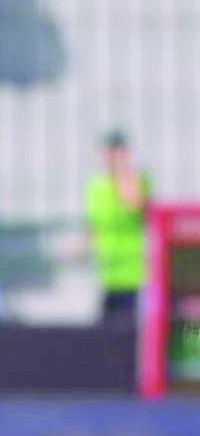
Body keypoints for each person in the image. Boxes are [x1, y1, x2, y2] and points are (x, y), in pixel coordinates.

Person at [87, 130, 150, 325]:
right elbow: (95, 226)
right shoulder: (96, 186)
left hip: (135, 276)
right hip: (109, 276)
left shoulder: (137, 180)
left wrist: (122, 170)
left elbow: (133, 203)